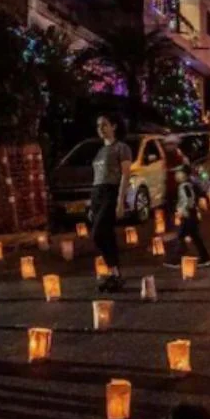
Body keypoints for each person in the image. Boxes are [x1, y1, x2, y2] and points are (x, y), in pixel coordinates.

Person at [90, 113, 133, 293]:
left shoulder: (121, 148)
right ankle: (114, 273)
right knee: (106, 234)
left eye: (104, 125)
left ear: (113, 126)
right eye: (99, 126)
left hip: (110, 192)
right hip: (97, 193)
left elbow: (125, 175)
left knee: (98, 234)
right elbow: (96, 178)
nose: (101, 128)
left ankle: (114, 271)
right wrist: (92, 204)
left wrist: (120, 201)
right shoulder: (100, 151)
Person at [164, 164, 210, 268]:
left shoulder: (184, 186)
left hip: (189, 216)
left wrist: (184, 210)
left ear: (184, 175)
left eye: (178, 173)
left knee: (181, 236)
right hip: (191, 215)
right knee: (195, 237)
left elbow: (189, 198)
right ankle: (205, 258)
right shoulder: (187, 185)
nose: (176, 175)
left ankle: (176, 259)